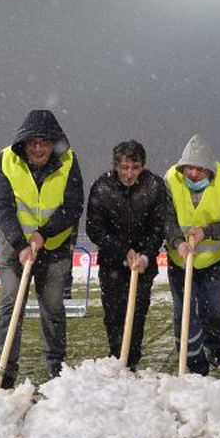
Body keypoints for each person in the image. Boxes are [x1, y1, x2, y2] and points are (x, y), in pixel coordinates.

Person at [0, 109, 84, 389]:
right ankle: (4, 373)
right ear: (24, 144)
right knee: (10, 306)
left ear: (54, 143)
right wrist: (20, 243)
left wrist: (44, 234)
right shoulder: (5, 160)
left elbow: (73, 206)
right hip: (15, 248)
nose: (39, 148)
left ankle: (57, 369)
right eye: (33, 143)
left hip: (54, 247)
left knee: (52, 308)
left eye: (45, 142)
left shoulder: (68, 161)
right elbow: (1, 206)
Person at [164, 134, 220, 375]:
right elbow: (166, 219)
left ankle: (214, 345)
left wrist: (208, 232)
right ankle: (194, 365)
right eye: (189, 168)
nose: (193, 174)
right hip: (180, 260)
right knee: (186, 314)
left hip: (214, 261)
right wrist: (177, 241)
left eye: (200, 169)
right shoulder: (170, 179)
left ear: (210, 169)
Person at [85, 140, 168, 370]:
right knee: (114, 315)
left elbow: (159, 227)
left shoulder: (154, 186)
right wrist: (123, 251)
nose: (129, 173)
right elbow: (94, 228)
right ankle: (116, 359)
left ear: (143, 166)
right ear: (115, 166)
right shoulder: (102, 187)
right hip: (112, 263)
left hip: (143, 264)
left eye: (134, 167)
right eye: (123, 167)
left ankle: (131, 361)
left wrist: (144, 255)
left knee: (137, 313)